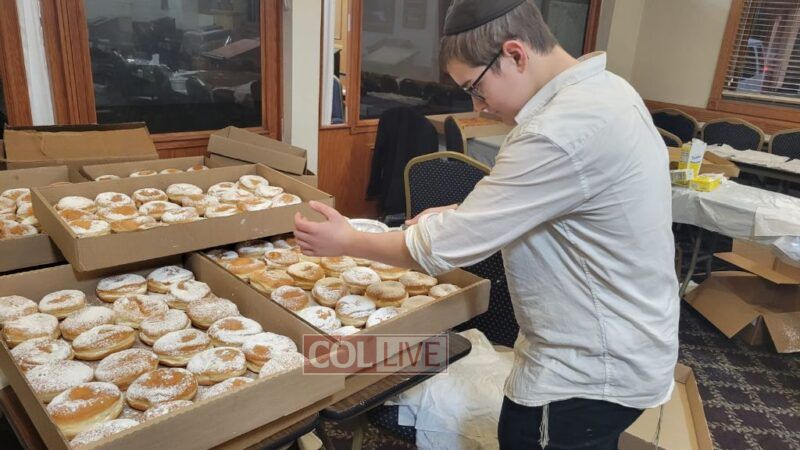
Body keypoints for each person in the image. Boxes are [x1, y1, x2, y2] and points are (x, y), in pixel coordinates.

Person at [295, 0, 679, 448]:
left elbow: (440, 249)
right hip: (631, 343)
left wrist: (347, 240)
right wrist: (461, 211)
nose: (479, 107)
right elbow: (553, 198)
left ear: (514, 54)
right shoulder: (606, 91)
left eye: (475, 88)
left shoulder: (556, 129)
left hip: (587, 371)